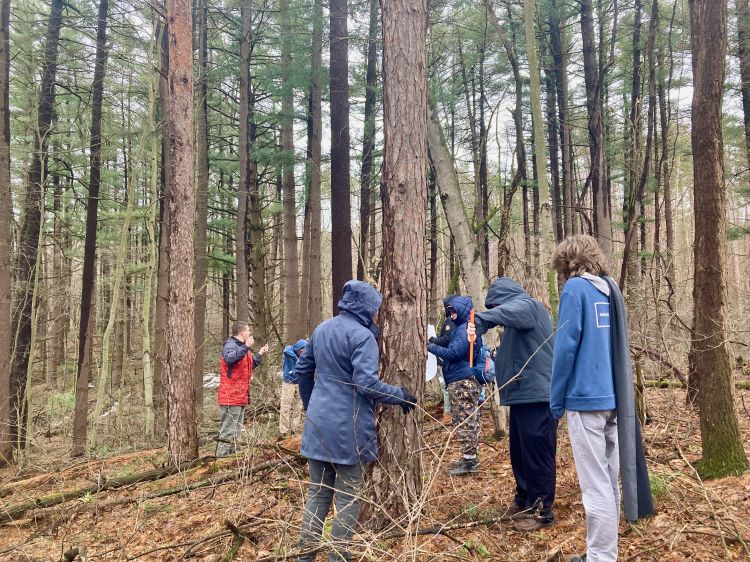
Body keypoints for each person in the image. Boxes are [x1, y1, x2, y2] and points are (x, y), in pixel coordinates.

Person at [294, 280, 417, 562]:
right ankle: (338, 557)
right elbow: (366, 385)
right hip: (348, 428)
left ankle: (304, 556)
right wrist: (401, 396)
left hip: (318, 425)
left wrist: (312, 405)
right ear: (367, 308)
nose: (377, 314)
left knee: (318, 494)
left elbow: (302, 372)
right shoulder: (363, 337)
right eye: (375, 308)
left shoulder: (322, 329)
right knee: (348, 495)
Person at [550, 235, 654, 562]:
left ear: (568, 262)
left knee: (595, 488)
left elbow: (564, 349)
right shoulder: (610, 289)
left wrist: (555, 400)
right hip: (613, 400)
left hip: (585, 400)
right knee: (608, 483)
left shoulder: (575, 291)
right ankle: (602, 553)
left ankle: (600, 558)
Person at [467, 277, 557, 531]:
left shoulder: (529, 306)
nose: (497, 311)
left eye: (497, 305)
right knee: (520, 453)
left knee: (537, 456)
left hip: (537, 397)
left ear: (506, 299)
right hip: (522, 396)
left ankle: (541, 512)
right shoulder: (519, 319)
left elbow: (509, 311)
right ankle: (525, 500)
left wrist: (483, 319)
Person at [427, 295, 483, 476]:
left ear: (461, 311)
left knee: (465, 419)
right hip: (459, 378)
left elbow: (454, 352)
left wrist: (429, 347)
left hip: (462, 380)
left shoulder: (465, 328)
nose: (451, 315)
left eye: (453, 311)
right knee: (464, 419)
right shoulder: (461, 328)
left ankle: (469, 462)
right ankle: (468, 458)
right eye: (449, 312)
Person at [217, 321, 269, 457]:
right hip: (230, 396)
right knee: (227, 431)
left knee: (236, 430)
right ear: (241, 332)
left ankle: (233, 458)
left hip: (240, 396)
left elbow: (249, 366)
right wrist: (246, 347)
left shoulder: (241, 348)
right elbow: (229, 359)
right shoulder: (230, 345)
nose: (249, 333)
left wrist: (259, 354)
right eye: (248, 331)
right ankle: (221, 460)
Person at [279, 339, 307, 438]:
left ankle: (294, 430)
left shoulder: (306, 354)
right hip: (288, 383)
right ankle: (284, 431)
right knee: (285, 407)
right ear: (299, 349)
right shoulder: (290, 350)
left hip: (299, 383)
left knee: (298, 408)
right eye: (301, 352)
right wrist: (297, 359)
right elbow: (286, 350)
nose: (303, 354)